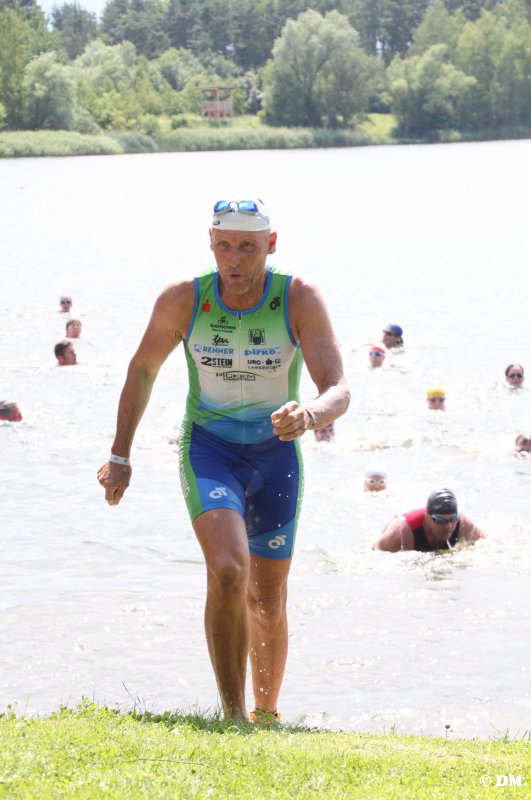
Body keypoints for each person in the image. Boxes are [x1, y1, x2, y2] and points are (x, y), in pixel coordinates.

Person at [97, 196, 350, 722]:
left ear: (271, 244)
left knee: (268, 598)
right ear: (210, 243)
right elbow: (142, 370)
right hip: (209, 449)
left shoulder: (298, 297)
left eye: (248, 248)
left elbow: (338, 388)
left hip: (276, 455)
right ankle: (233, 717)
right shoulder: (183, 299)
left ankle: (265, 715)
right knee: (230, 568)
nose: (234, 260)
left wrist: (309, 414)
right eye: (225, 246)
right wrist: (120, 453)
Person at [373, 488, 486, 552]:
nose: (448, 526)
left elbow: (485, 541)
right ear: (427, 516)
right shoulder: (402, 531)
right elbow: (375, 549)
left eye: (453, 519)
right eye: (440, 521)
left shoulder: (465, 525)